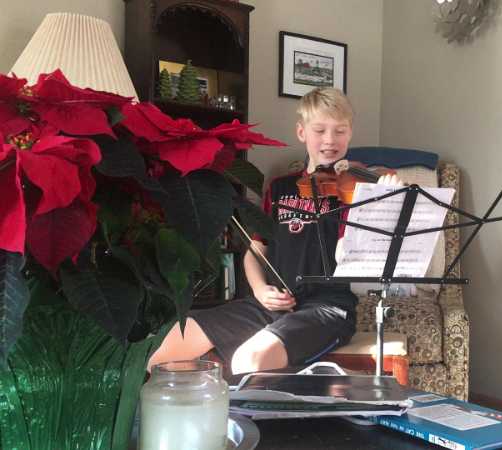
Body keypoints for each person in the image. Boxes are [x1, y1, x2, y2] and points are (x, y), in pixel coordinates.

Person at [148, 87, 402, 374]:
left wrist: (380, 200)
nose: (330, 140)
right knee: (163, 352)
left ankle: (270, 402)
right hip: (271, 304)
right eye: (320, 130)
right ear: (301, 132)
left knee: (249, 359)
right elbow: (256, 251)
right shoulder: (280, 188)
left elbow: (349, 256)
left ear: (350, 133)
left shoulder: (357, 191)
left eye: (340, 131)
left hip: (327, 307)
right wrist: (259, 289)